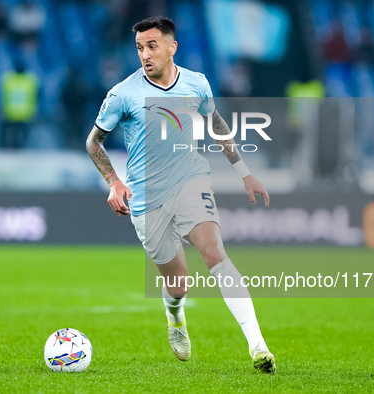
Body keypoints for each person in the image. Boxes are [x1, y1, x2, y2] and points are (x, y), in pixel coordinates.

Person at [86, 16, 276, 373]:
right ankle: (175, 318)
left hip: (191, 180)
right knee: (178, 284)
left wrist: (244, 173)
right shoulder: (123, 93)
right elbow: (93, 141)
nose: (145, 54)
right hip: (146, 197)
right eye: (140, 47)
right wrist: (114, 181)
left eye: (152, 46)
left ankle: (258, 346)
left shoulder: (196, 83)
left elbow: (216, 124)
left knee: (215, 252)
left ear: (172, 47)